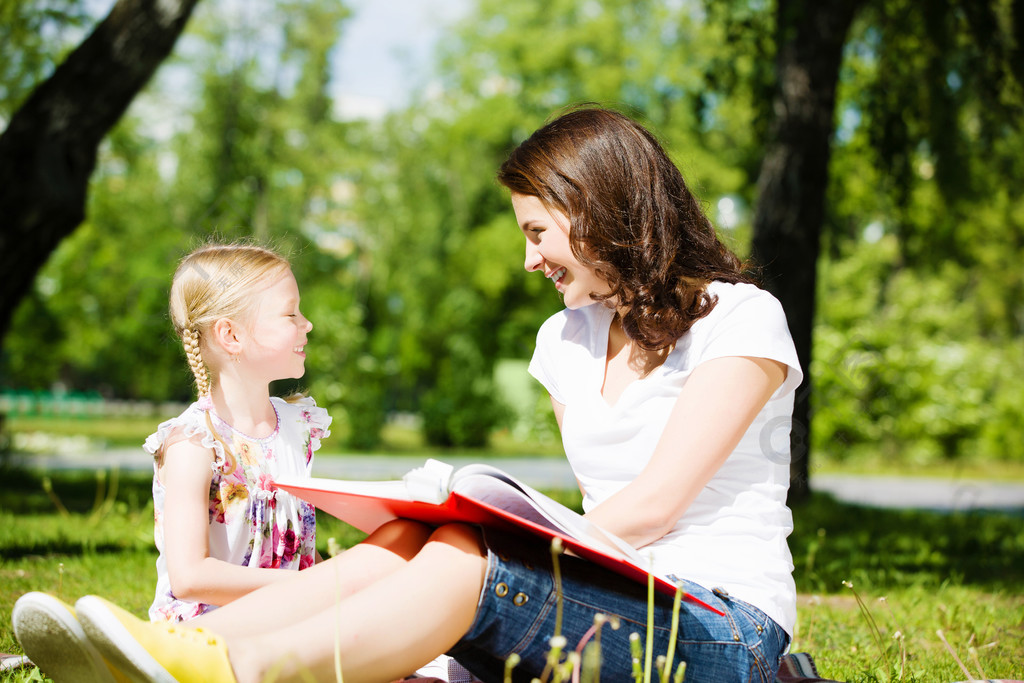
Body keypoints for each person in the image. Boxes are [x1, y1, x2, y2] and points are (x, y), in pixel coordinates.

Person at [18, 107, 803, 683]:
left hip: (718, 623)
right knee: (407, 537)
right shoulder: (562, 342)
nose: (529, 259)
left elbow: (653, 506)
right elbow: (604, 511)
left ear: (597, 211)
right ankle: (166, 646)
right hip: (604, 590)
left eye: (536, 231)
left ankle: (236, 670)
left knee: (463, 551)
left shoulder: (740, 320)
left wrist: (499, 531)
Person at [12, 243, 333, 681]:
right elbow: (190, 576)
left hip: (288, 621)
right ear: (231, 335)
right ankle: (136, 657)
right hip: (207, 632)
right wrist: (308, 587)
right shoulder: (195, 442)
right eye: (290, 314)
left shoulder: (298, 426)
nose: (306, 323)